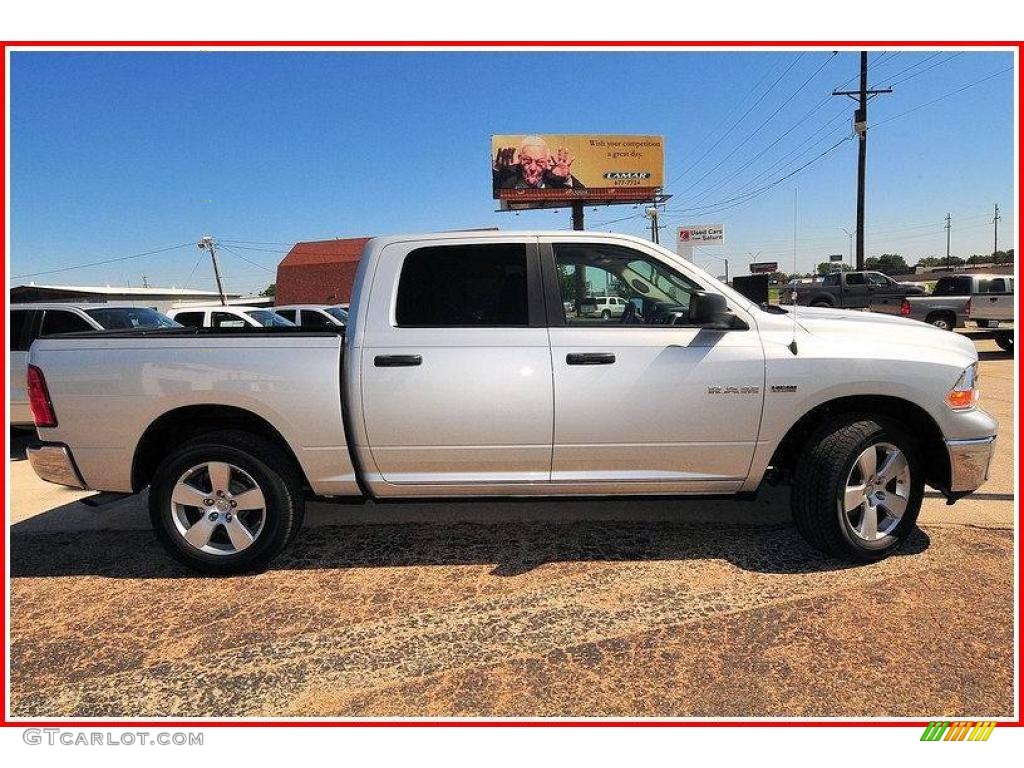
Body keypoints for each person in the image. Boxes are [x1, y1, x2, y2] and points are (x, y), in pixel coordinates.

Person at [492, 136, 586, 193]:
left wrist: (567, 178)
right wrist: (497, 168)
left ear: (547, 162)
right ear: (520, 159)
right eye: (527, 161)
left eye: (540, 162)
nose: (533, 168)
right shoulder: (507, 177)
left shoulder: (555, 180)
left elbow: (584, 193)